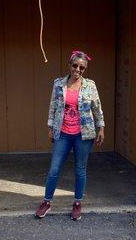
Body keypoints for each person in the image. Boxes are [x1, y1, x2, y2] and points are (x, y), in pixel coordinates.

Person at [35, 50, 105, 221]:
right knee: (54, 169)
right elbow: (53, 106)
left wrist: (101, 127)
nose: (78, 70)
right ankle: (47, 202)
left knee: (80, 170)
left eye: (82, 67)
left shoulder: (90, 85)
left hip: (83, 134)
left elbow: (97, 107)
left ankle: (77, 204)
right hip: (63, 133)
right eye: (75, 66)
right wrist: (50, 126)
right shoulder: (59, 84)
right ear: (69, 65)